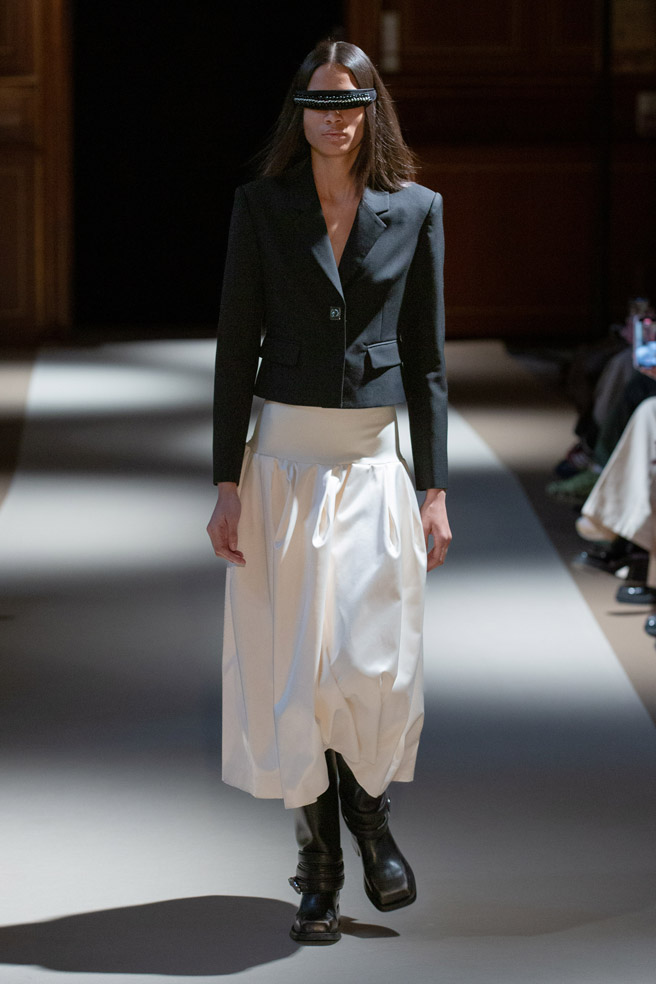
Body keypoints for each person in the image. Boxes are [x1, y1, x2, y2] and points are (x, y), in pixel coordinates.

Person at [207, 39, 451, 945]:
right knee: (296, 673)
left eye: (349, 104)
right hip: (281, 467)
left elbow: (427, 361)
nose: (334, 119)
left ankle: (372, 822)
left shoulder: (416, 209)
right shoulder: (262, 207)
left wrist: (434, 487)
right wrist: (225, 481)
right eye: (319, 104)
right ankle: (321, 869)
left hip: (373, 469)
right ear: (299, 112)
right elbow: (236, 347)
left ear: (371, 111)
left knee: (368, 661)